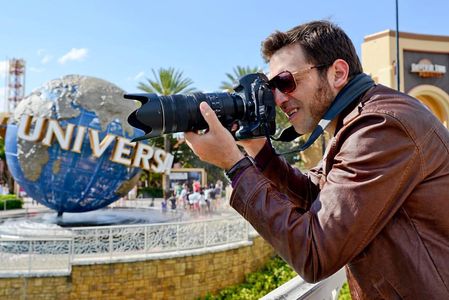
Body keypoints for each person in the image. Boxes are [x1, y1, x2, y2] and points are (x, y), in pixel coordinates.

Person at [185, 20, 449, 299]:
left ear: (337, 73)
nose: (277, 98)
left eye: (285, 82)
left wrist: (234, 166)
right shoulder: (359, 119)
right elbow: (320, 197)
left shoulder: (381, 127)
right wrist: (260, 152)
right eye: (271, 87)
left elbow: (315, 253)